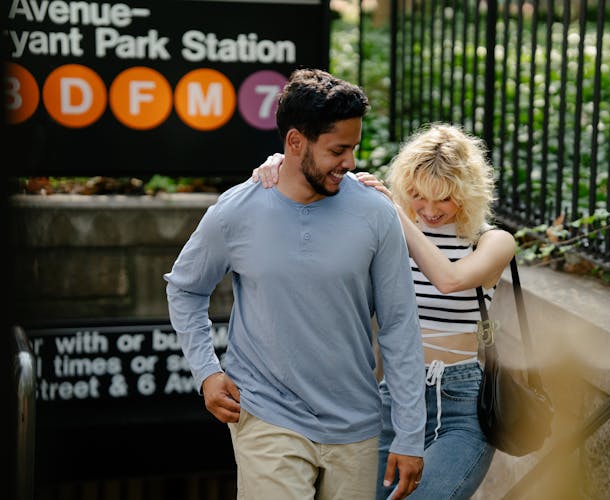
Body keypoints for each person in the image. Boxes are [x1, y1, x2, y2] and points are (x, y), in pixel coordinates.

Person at [164, 68, 426, 500]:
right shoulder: (236, 211)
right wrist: (207, 372)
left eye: (354, 149)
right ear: (295, 142)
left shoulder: (376, 214)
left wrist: (409, 433)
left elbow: (399, 324)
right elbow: (186, 288)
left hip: (356, 426)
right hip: (268, 415)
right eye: (338, 150)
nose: (351, 163)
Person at [252, 122, 517, 499]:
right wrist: (281, 165)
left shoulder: (491, 241)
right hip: (393, 399)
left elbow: (450, 280)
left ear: (467, 192)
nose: (428, 209)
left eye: (444, 198)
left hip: (461, 405)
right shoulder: (389, 230)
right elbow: (312, 205)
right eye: (417, 195)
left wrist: (397, 214)